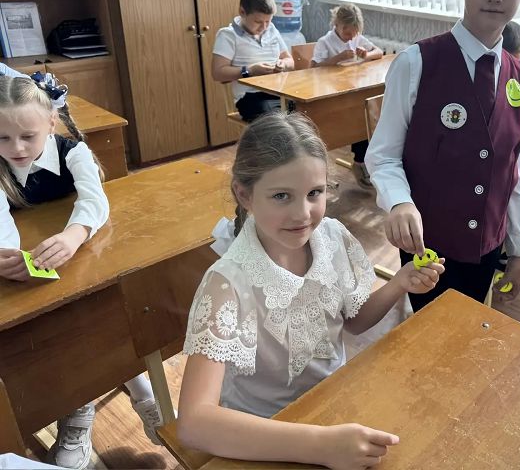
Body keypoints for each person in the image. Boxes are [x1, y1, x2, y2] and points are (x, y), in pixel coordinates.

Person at [177, 111, 444, 466]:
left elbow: (353, 321)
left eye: (314, 193)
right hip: (261, 437)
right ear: (244, 195)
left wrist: (399, 283)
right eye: (281, 196)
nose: (302, 213)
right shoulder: (227, 284)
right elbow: (194, 423)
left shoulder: (331, 239)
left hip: (333, 407)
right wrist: (320, 445)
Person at [365, 0, 520, 311]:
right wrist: (399, 201)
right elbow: (383, 155)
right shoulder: (416, 64)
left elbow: (514, 174)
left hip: (488, 245)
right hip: (429, 244)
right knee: (428, 331)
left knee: (467, 327)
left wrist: (518, 248)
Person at [0, 75, 162, 469]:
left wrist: (74, 235)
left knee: (110, 316)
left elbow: (95, 199)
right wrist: (8, 256)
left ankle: (140, 387)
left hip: (87, 255)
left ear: (51, 123)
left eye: (27, 136)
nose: (16, 148)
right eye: (2, 138)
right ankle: (76, 405)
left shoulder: (74, 152)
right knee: (59, 334)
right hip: (42, 270)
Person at [312, 4, 383, 189]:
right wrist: (338, 58)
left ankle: (360, 161)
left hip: (352, 91)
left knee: (364, 116)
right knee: (355, 117)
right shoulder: (325, 42)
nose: (351, 37)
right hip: (329, 94)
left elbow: (378, 52)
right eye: (347, 32)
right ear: (336, 24)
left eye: (354, 33)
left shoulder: (356, 38)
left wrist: (366, 55)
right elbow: (313, 68)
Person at [212, 0, 295, 122]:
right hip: (251, 97)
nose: (264, 27)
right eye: (258, 21)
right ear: (242, 12)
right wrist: (249, 71)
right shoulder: (228, 35)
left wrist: (283, 64)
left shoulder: (272, 30)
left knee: (307, 110)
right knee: (276, 120)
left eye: (268, 21)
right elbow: (217, 73)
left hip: (279, 91)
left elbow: (290, 61)